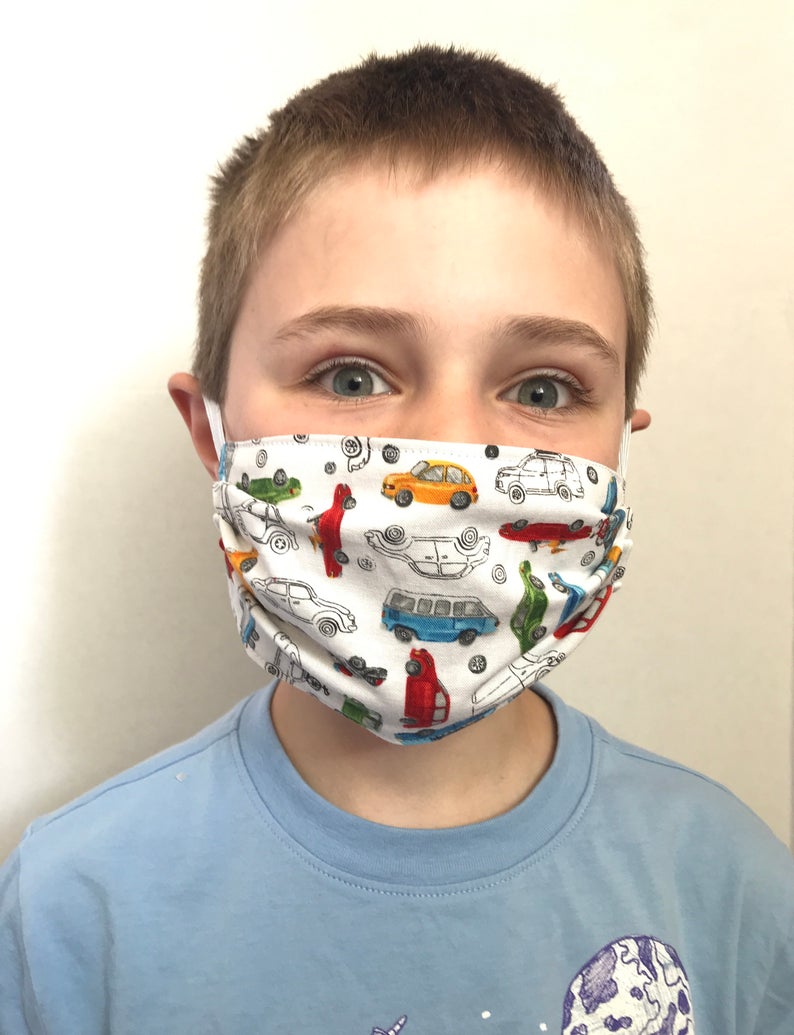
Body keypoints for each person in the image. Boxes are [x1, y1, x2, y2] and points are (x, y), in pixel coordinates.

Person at [1, 45, 792, 1034]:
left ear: (619, 454)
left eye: (541, 389)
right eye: (351, 376)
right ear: (213, 431)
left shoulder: (733, 892)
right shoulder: (73, 912)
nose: (450, 454)